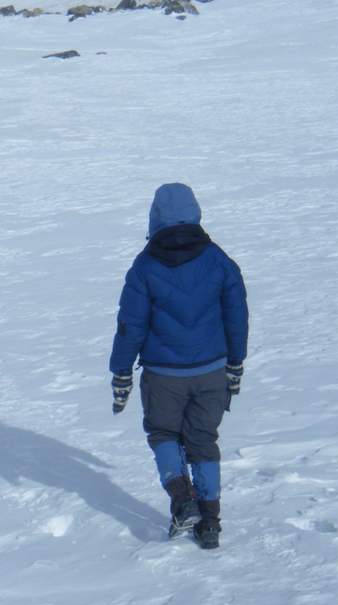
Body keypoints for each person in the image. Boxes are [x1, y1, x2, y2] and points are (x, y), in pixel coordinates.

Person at [108, 183, 248, 549]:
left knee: (163, 434)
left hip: (163, 375)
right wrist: (235, 362)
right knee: (203, 442)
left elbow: (130, 325)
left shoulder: (144, 266)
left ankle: (183, 501)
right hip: (211, 371)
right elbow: (237, 316)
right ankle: (210, 523)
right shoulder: (219, 260)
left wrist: (121, 372)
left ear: (154, 217)